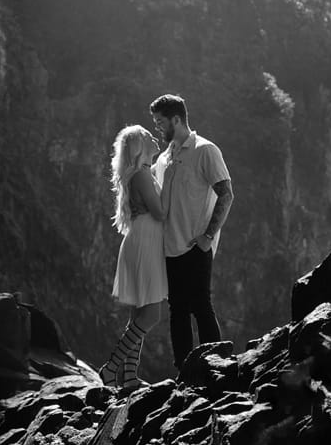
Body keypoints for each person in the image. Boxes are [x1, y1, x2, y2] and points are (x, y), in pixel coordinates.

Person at [149, 94, 233, 371]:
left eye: (161, 122)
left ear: (176, 119)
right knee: (178, 312)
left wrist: (208, 236)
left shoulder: (205, 150)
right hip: (168, 246)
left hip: (196, 245)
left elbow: (226, 194)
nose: (158, 128)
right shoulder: (163, 159)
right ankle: (184, 372)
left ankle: (217, 367)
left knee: (200, 305)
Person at [98, 124, 166, 388]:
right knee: (151, 314)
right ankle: (111, 368)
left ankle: (128, 378)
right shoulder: (142, 175)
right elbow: (160, 212)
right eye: (148, 136)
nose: (154, 138)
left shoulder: (142, 173)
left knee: (139, 314)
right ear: (140, 147)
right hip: (145, 241)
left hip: (141, 239)